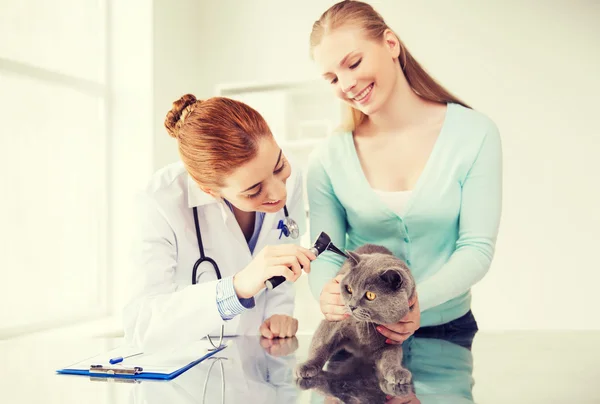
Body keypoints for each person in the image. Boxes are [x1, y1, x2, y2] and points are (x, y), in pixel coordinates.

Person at [306, 0, 502, 344]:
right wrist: (327, 291)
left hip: (448, 332)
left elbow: (476, 248)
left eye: (354, 63)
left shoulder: (474, 133)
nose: (347, 83)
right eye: (333, 77)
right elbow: (326, 252)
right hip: (360, 335)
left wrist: (412, 302)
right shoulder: (327, 158)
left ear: (391, 44)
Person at [123, 94, 316, 351]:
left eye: (280, 167)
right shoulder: (160, 200)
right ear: (208, 190)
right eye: (253, 190)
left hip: (262, 358)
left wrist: (278, 313)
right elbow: (142, 326)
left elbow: (282, 255)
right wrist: (236, 288)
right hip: (194, 370)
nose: (279, 192)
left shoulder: (292, 179)